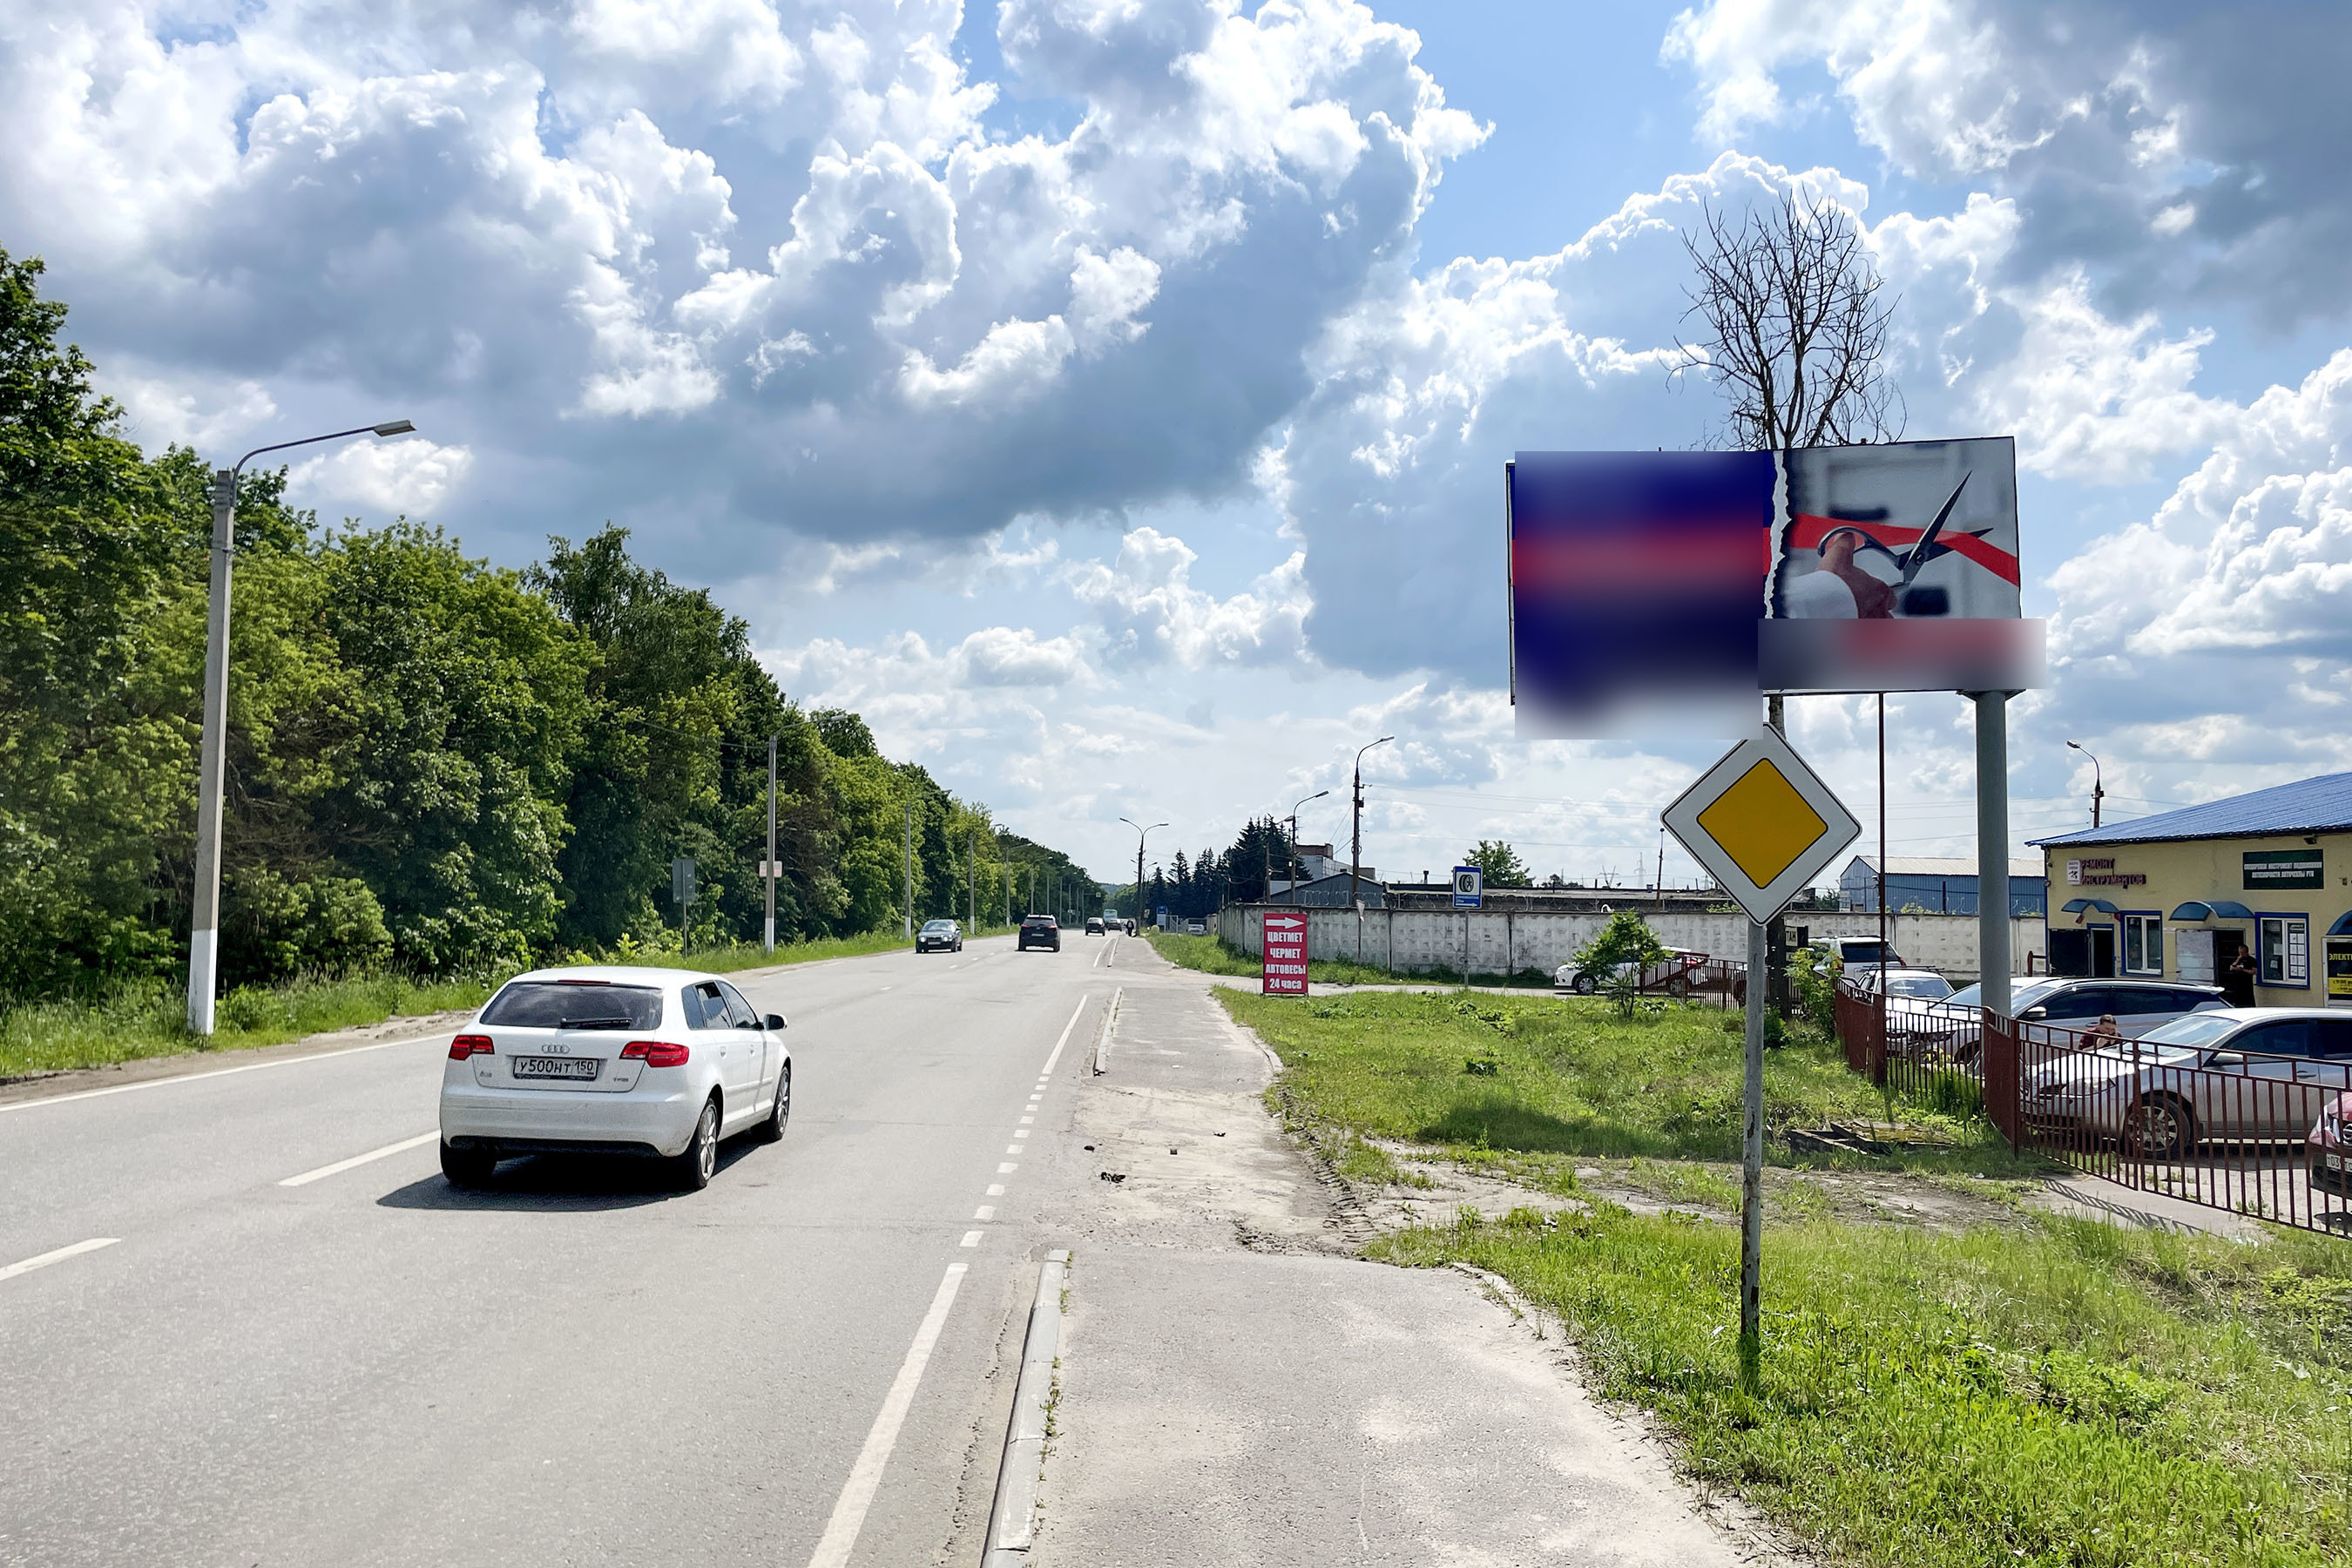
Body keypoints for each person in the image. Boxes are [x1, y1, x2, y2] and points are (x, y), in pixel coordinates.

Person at [2224, 943, 2258, 1008]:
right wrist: (2238, 960)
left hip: (2247, 983)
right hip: (2238, 983)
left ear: (2246, 952)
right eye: (2240, 952)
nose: (2241, 954)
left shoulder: (2251, 960)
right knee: (2238, 999)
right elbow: (2231, 968)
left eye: (2242, 952)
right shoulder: (2238, 959)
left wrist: (2243, 970)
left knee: (2248, 998)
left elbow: (2254, 971)